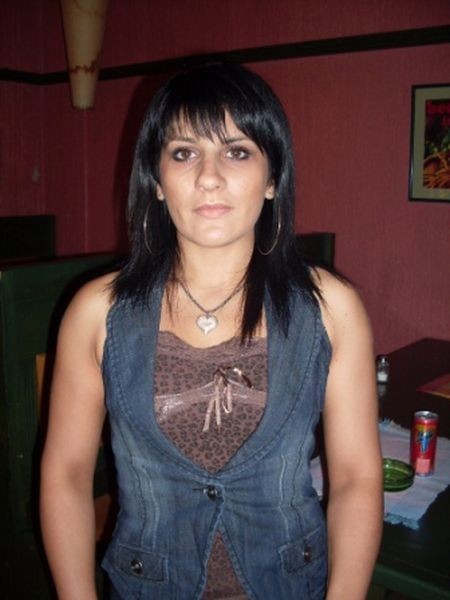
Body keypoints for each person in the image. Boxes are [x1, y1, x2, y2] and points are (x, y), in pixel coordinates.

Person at [40, 62, 383, 600]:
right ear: (156, 181)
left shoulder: (331, 308)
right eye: (184, 153)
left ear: (273, 179)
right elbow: (66, 472)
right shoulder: (96, 312)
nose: (209, 176)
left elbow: (357, 477)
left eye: (237, 151)